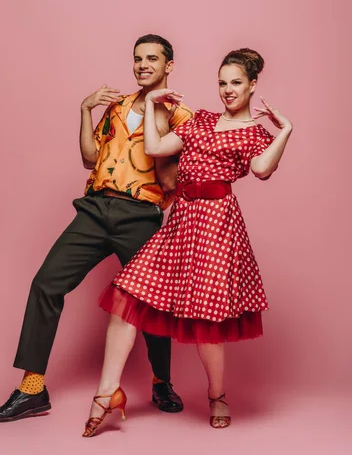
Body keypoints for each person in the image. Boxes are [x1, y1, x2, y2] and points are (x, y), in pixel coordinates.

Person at [0, 34, 193, 423]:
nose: (143, 65)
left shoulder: (181, 115)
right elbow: (89, 158)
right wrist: (84, 110)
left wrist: (157, 119)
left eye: (152, 58)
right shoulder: (115, 106)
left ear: (169, 66)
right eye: (137, 59)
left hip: (141, 215)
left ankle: (161, 381)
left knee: (151, 301)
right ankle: (32, 389)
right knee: (46, 283)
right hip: (95, 209)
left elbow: (173, 180)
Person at [82, 48, 293, 437]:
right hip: (181, 221)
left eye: (235, 83)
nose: (227, 90)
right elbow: (155, 148)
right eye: (222, 83)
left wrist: (286, 131)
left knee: (206, 318)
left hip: (216, 226)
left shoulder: (253, 133)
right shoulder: (201, 120)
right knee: (127, 295)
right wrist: (150, 104)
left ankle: (217, 395)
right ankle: (106, 393)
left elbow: (262, 169)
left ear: (252, 85)